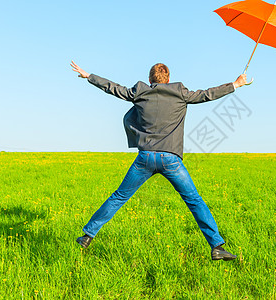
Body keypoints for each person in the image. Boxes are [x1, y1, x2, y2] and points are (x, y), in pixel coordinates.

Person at [71, 61, 247, 261]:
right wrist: (236, 84)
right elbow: (207, 94)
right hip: (170, 159)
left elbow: (114, 88)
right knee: (194, 201)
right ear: (168, 79)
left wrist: (89, 76)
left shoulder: (141, 91)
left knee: (119, 197)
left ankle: (87, 236)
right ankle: (216, 246)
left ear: (150, 80)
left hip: (145, 157)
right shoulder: (180, 92)